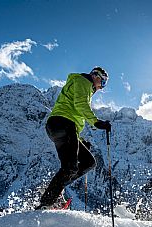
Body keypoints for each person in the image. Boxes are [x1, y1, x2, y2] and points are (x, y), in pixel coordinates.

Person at [36, 67, 111, 210]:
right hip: (63, 123)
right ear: (96, 76)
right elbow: (80, 105)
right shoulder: (83, 81)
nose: (102, 87)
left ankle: (55, 190)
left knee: (88, 162)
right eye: (103, 82)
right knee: (70, 167)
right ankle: (47, 202)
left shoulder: (82, 85)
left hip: (60, 126)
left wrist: (80, 142)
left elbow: (73, 112)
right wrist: (96, 122)